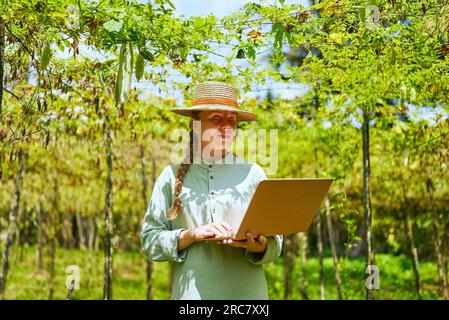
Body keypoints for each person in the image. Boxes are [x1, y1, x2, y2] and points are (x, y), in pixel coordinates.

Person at [140, 81, 283, 299]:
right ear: (196, 126)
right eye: (216, 120)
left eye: (231, 121)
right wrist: (191, 235)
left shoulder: (253, 173)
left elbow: (276, 243)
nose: (226, 127)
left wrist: (257, 246)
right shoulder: (170, 176)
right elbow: (150, 241)